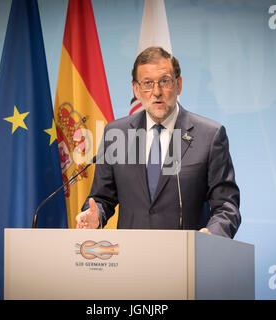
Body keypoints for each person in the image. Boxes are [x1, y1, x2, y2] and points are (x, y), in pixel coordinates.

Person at [75, 46, 240, 238]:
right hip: (130, 258)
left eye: (165, 82)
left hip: (186, 258)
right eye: (147, 83)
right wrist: (96, 216)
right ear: (136, 90)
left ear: (178, 85)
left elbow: (227, 205)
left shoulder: (209, 136)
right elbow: (102, 198)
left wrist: (213, 234)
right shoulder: (116, 133)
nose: (157, 92)